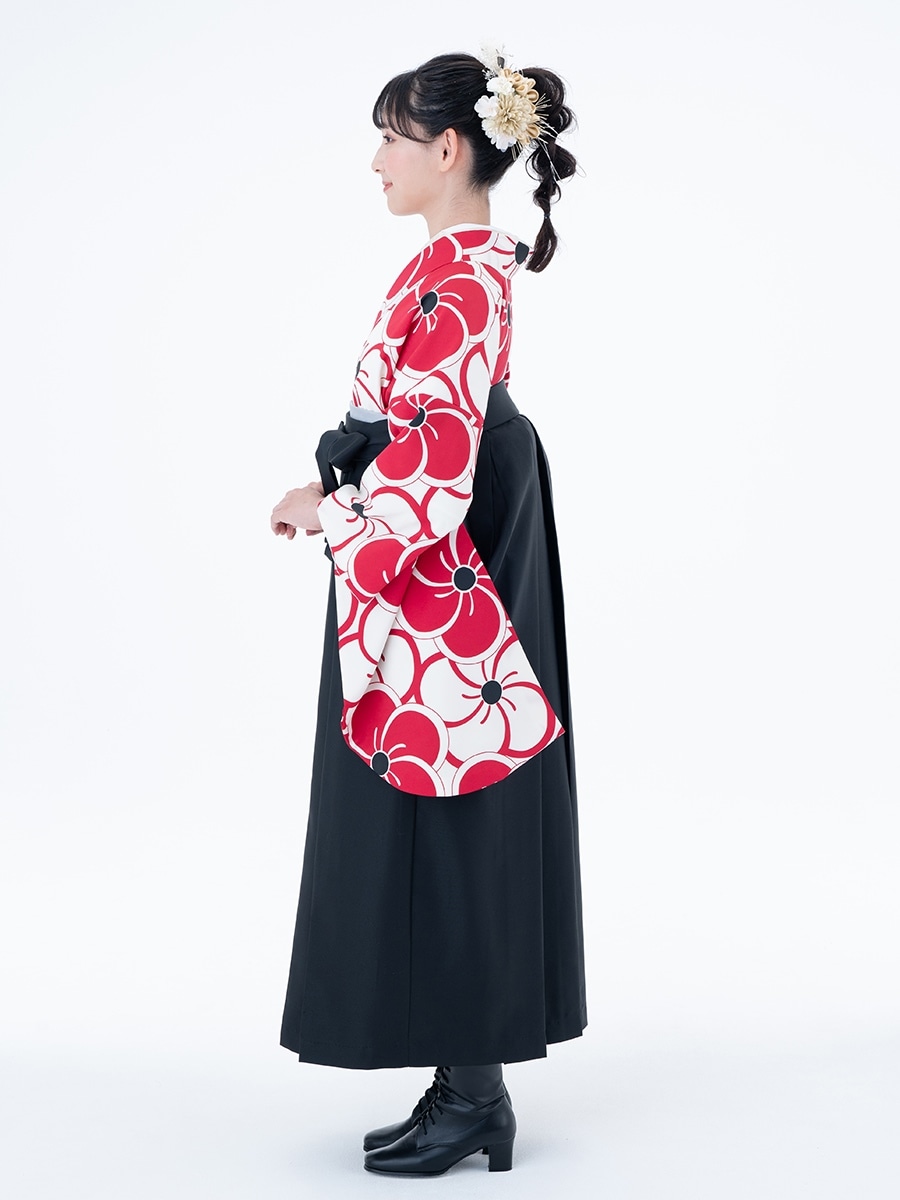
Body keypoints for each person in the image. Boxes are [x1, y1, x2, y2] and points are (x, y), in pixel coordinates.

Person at [270, 47, 587, 1177]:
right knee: (451, 788)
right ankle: (469, 1086)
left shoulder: (459, 279)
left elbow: (435, 468)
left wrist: (335, 509)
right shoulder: (453, 267)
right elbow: (422, 437)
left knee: (455, 789)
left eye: (392, 137)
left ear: (448, 148)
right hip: (454, 527)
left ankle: (474, 1094)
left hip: (446, 539)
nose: (377, 160)